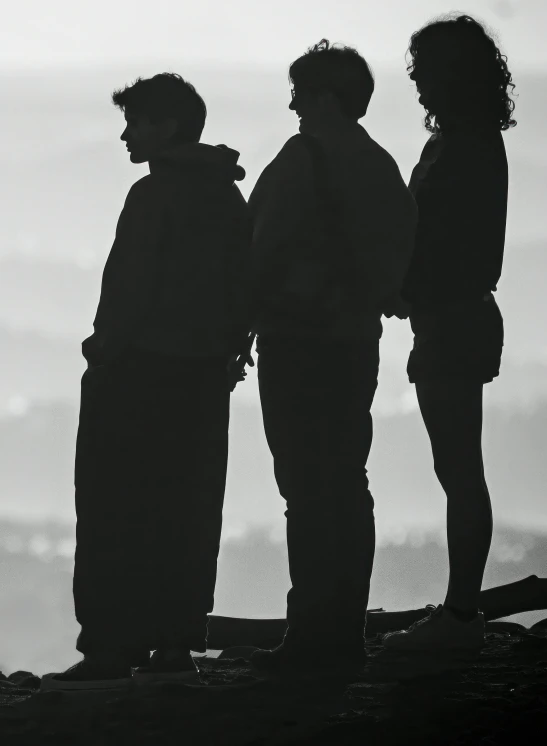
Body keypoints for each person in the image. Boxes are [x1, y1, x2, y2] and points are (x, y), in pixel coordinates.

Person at [41, 73, 251, 690]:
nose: (127, 135)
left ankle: (110, 646)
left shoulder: (152, 195)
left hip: (141, 374)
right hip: (206, 376)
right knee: (188, 505)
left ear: (166, 127)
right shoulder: (227, 197)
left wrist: (101, 352)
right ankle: (177, 641)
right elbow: (245, 286)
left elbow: (130, 290)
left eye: (135, 123)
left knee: (116, 507)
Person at [240, 39, 417, 674]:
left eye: (299, 91)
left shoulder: (300, 158)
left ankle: (311, 635)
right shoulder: (380, 162)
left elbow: (258, 249)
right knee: (347, 479)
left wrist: (241, 327)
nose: (291, 103)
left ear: (321, 96)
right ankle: (342, 629)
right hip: (354, 341)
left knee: (305, 487)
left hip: (296, 339)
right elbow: (401, 250)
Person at [383, 14, 516, 653]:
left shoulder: (465, 145)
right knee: (457, 465)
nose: (418, 86)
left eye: (425, 73)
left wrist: (405, 287)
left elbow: (455, 244)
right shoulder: (467, 139)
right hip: (448, 317)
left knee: (460, 468)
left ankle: (462, 614)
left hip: (452, 319)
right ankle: (460, 608)